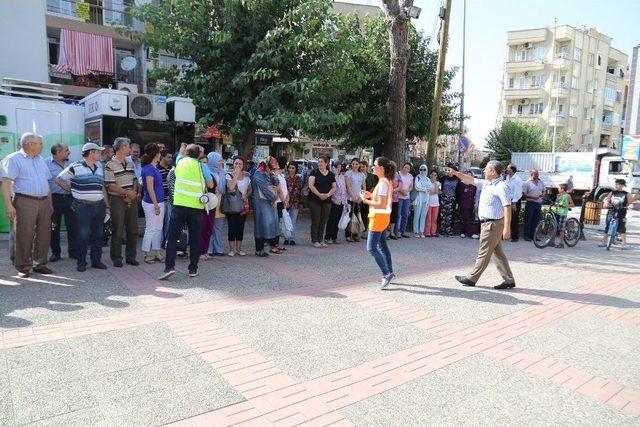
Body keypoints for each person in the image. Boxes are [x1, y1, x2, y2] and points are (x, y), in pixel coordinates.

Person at [447, 161, 515, 290]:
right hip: (488, 224)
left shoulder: (501, 186)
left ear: (493, 172)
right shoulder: (487, 183)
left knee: (483, 252)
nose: (484, 171)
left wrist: (507, 228)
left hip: (492, 224)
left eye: (486, 169)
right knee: (497, 253)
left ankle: (472, 278)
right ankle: (509, 280)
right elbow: (470, 179)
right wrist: (456, 173)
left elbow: (507, 207)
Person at [1, 132, 54, 278]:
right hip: (24, 201)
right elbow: (5, 183)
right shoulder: (13, 159)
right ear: (30, 144)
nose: (42, 146)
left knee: (44, 234)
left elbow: (46, 182)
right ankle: (23, 266)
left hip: (43, 201)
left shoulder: (40, 160)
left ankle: (40, 264)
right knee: (24, 235)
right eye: (40, 144)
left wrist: (49, 202)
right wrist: (9, 206)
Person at [55, 143, 109, 271]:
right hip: (82, 207)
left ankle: (96, 261)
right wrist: (70, 190)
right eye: (98, 152)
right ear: (91, 153)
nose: (100, 154)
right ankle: (81, 262)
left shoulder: (100, 166)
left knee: (98, 235)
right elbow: (58, 179)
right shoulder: (75, 166)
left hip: (99, 206)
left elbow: (102, 188)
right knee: (83, 235)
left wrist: (107, 206)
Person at [160, 144, 208, 279]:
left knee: (173, 237)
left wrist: (184, 148)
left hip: (179, 205)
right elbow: (210, 184)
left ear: (186, 153)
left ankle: (169, 267)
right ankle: (193, 269)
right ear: (199, 155)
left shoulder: (179, 162)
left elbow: (181, 152)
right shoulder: (202, 166)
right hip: (196, 208)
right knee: (194, 239)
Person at [104, 137, 139, 267]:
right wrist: (127, 193)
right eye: (128, 146)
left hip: (132, 200)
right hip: (118, 200)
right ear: (122, 147)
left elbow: (135, 180)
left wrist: (133, 193)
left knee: (133, 229)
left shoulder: (130, 163)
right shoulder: (110, 165)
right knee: (118, 230)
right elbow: (110, 186)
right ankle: (116, 258)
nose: (130, 149)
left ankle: (131, 257)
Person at [361, 157, 396, 289]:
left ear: (381, 168)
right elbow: (382, 200)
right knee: (382, 246)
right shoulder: (385, 181)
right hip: (383, 217)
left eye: (374, 165)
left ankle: (386, 274)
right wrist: (370, 195)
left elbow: (380, 204)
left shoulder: (382, 183)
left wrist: (365, 200)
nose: (372, 167)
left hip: (378, 218)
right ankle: (390, 272)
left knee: (371, 247)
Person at [47, 143, 76, 262]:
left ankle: (73, 251)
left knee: (73, 226)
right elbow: (45, 183)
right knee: (54, 227)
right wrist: (48, 203)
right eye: (66, 150)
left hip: (70, 198)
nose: (69, 152)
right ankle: (55, 252)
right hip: (55, 199)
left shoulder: (71, 163)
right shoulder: (45, 164)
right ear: (58, 152)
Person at [140, 143, 166, 263]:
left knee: (158, 228)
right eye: (160, 152)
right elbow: (150, 189)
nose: (160, 154)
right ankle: (147, 253)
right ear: (156, 154)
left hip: (158, 202)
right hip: (152, 203)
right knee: (151, 228)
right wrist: (156, 205)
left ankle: (157, 251)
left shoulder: (152, 167)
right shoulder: (149, 169)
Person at [251, 157, 280, 257]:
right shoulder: (259, 172)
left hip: (268, 202)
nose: (275, 165)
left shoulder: (268, 171)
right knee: (260, 225)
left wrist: (275, 174)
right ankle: (259, 249)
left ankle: (263, 248)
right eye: (274, 163)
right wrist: (273, 197)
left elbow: (276, 183)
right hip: (261, 203)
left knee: (268, 225)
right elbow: (264, 188)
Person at [600, 179, 639, 249]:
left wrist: (630, 206)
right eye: (616, 184)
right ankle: (604, 242)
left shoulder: (627, 194)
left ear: (623, 185)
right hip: (612, 211)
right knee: (607, 226)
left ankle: (624, 244)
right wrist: (606, 203)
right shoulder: (612, 193)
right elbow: (607, 200)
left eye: (619, 184)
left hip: (621, 212)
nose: (617, 186)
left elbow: (630, 203)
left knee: (621, 228)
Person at [307, 156, 336, 248]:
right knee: (316, 220)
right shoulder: (314, 172)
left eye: (322, 162)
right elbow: (311, 185)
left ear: (326, 163)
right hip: (315, 200)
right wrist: (319, 194)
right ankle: (314, 240)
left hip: (327, 201)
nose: (319, 163)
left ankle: (321, 239)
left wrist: (327, 195)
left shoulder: (331, 174)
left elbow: (334, 187)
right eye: (319, 162)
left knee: (323, 221)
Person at [226, 156, 251, 256]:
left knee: (240, 227)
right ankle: (232, 249)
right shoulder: (228, 175)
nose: (237, 165)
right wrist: (236, 175)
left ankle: (239, 249)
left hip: (243, 205)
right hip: (232, 205)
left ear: (243, 165)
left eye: (240, 164)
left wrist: (246, 195)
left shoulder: (247, 177)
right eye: (236, 163)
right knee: (232, 226)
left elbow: (250, 189)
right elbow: (230, 187)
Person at [207, 151, 226, 256]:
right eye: (219, 160)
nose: (220, 162)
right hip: (210, 203)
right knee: (209, 226)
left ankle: (218, 248)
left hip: (220, 203)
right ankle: (208, 248)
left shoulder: (222, 172)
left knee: (218, 227)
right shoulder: (207, 172)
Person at [324, 160, 348, 244]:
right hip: (334, 201)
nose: (339, 168)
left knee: (338, 219)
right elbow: (334, 186)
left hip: (341, 201)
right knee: (332, 219)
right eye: (337, 167)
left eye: (340, 167)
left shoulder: (342, 176)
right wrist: (335, 174)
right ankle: (327, 237)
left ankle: (334, 236)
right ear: (333, 167)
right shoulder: (332, 176)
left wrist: (345, 201)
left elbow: (344, 189)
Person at [345, 158, 365, 242]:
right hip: (350, 198)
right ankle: (348, 235)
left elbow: (364, 187)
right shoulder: (348, 173)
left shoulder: (362, 174)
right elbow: (348, 186)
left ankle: (355, 234)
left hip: (358, 199)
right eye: (353, 164)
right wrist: (352, 197)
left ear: (359, 165)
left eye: (356, 164)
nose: (354, 165)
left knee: (357, 216)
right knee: (349, 216)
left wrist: (361, 197)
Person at [523, 169, 545, 241]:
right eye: (536, 174)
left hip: (538, 203)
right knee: (528, 220)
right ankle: (527, 236)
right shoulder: (527, 183)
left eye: (538, 174)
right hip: (530, 203)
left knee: (536, 220)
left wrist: (543, 194)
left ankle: (533, 236)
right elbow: (524, 194)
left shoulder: (541, 182)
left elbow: (544, 190)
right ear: (532, 174)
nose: (537, 175)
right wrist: (533, 197)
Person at [439, 165, 461, 236]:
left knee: (450, 216)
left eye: (451, 170)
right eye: (448, 170)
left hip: (452, 200)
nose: (449, 172)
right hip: (443, 199)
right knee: (443, 215)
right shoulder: (444, 178)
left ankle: (449, 230)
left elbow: (458, 192)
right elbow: (438, 186)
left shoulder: (458, 180)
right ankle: (442, 230)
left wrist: (457, 202)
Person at [284, 161, 302, 245]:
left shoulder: (298, 179)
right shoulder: (285, 178)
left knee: (293, 221)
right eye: (290, 168)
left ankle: (292, 238)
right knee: (285, 220)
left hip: (295, 203)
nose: (291, 169)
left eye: (293, 168)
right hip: (286, 202)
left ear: (296, 169)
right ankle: (286, 237)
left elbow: (298, 191)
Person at [505, 164, 524, 242]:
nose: (506, 169)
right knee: (507, 218)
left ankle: (515, 237)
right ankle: (507, 235)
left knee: (514, 219)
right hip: (508, 200)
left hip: (514, 201)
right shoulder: (507, 177)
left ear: (512, 170)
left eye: (508, 168)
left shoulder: (517, 179)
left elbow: (518, 192)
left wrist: (514, 203)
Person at [458, 170, 479, 239]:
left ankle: (463, 232)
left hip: (471, 204)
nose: (469, 176)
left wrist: (476, 203)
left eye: (470, 175)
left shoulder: (474, 185)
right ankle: (470, 233)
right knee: (466, 218)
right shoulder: (461, 184)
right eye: (467, 175)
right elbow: (458, 194)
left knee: (467, 218)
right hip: (463, 204)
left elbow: (476, 195)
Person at [394, 162, 414, 238]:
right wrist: (402, 191)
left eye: (408, 168)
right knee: (398, 215)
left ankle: (403, 231)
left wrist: (407, 191)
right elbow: (396, 184)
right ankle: (397, 231)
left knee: (405, 214)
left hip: (406, 197)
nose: (406, 169)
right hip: (399, 196)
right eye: (405, 167)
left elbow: (411, 186)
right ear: (402, 167)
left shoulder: (410, 176)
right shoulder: (398, 174)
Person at [158, 149, 173, 244]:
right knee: (159, 223)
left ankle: (166, 242)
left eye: (171, 157)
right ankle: (159, 242)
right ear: (162, 157)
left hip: (170, 199)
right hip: (160, 199)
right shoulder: (156, 169)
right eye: (168, 157)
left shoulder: (173, 169)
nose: (170, 159)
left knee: (169, 222)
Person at [553, 183, 574, 249]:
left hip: (563, 213)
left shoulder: (567, 196)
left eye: (559, 188)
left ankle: (561, 243)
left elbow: (572, 204)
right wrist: (557, 199)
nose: (558, 189)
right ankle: (552, 242)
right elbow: (556, 203)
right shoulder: (559, 195)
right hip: (557, 212)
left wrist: (566, 206)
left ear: (562, 189)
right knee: (555, 227)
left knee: (561, 229)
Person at [412, 164, 430, 238]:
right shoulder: (417, 177)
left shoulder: (428, 179)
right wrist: (425, 189)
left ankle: (421, 231)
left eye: (424, 169)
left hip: (426, 200)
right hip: (418, 199)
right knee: (417, 215)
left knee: (423, 216)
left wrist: (424, 189)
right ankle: (416, 231)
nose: (422, 171)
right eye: (421, 169)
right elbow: (417, 187)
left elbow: (430, 187)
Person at [360, 160, 377, 235]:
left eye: (363, 167)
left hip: (368, 197)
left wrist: (368, 195)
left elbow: (373, 186)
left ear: (367, 167)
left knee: (366, 213)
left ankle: (365, 230)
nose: (361, 168)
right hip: (359, 197)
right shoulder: (358, 175)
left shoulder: (371, 176)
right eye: (360, 167)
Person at [425, 170, 441, 237]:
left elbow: (439, 192)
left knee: (434, 218)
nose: (433, 176)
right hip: (428, 203)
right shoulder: (427, 182)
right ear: (430, 175)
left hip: (436, 203)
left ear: (437, 176)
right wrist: (433, 192)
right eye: (432, 174)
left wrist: (435, 185)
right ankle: (427, 232)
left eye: (435, 175)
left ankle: (433, 232)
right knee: (428, 218)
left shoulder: (439, 183)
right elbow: (427, 191)